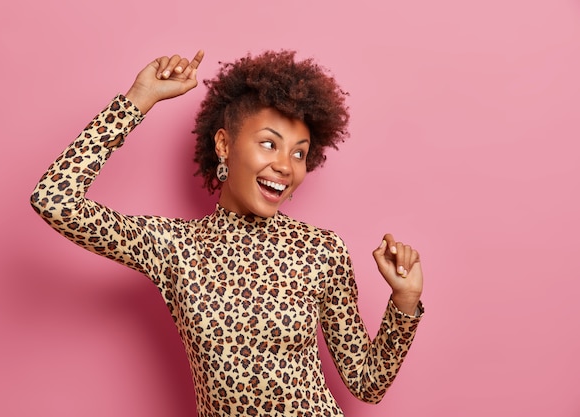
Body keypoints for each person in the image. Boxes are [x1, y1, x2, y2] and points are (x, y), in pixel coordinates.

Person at [31, 49, 424, 417]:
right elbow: (55, 200)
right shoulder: (175, 247)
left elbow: (367, 384)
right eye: (269, 144)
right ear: (224, 144)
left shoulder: (320, 251)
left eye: (299, 153)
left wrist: (405, 300)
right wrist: (138, 99)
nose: (285, 166)